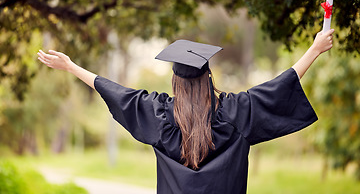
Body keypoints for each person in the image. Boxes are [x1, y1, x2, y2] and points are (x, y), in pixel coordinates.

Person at [37, 29, 334, 194]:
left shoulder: (159, 117)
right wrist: (315, 49)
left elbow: (118, 93)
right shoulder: (236, 113)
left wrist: (71, 67)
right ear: (208, 77)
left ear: (175, 81)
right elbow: (278, 88)